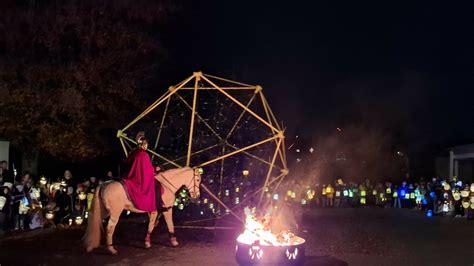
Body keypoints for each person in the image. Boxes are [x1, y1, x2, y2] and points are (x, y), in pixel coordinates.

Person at [122, 136, 156, 212]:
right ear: (143, 145)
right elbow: (147, 170)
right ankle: (149, 205)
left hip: (130, 175)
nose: (147, 146)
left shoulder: (133, 153)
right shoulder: (144, 154)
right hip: (138, 178)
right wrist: (155, 169)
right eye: (146, 145)